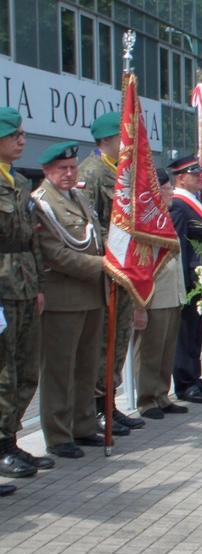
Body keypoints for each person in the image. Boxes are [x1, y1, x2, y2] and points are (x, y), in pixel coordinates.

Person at [33, 142, 107, 459]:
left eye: (72, 167)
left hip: (91, 295)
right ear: (47, 171)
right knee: (59, 370)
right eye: (61, 168)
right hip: (62, 298)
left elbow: (96, 237)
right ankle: (59, 435)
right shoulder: (41, 203)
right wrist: (104, 266)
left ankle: (84, 425)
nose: (69, 173)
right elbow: (56, 254)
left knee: (87, 367)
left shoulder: (79, 197)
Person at [79, 111, 144, 437]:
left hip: (125, 270)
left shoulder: (124, 174)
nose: (128, 144)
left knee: (118, 340)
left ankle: (110, 405)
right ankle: (96, 408)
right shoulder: (91, 174)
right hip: (106, 270)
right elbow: (88, 225)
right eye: (123, 138)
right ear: (106, 139)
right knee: (104, 340)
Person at [0, 108, 52, 483]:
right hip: (1, 288)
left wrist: (37, 288)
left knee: (24, 368)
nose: (22, 140)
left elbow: (32, 239)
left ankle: (10, 439)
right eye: (14, 134)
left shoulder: (18, 182)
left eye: (22, 133)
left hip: (23, 285)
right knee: (3, 372)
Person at [133, 169, 189, 420]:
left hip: (172, 293)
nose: (171, 193)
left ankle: (162, 394)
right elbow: (141, 263)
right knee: (150, 350)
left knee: (167, 348)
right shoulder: (145, 220)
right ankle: (146, 400)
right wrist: (139, 303)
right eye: (166, 188)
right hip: (154, 295)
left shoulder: (164, 218)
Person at [169, 155, 202, 404]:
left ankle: (195, 378)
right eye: (194, 174)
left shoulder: (194, 201)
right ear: (180, 177)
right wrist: (185, 279)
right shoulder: (179, 204)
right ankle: (185, 382)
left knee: (195, 332)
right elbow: (180, 243)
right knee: (186, 332)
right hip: (191, 277)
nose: (199, 177)